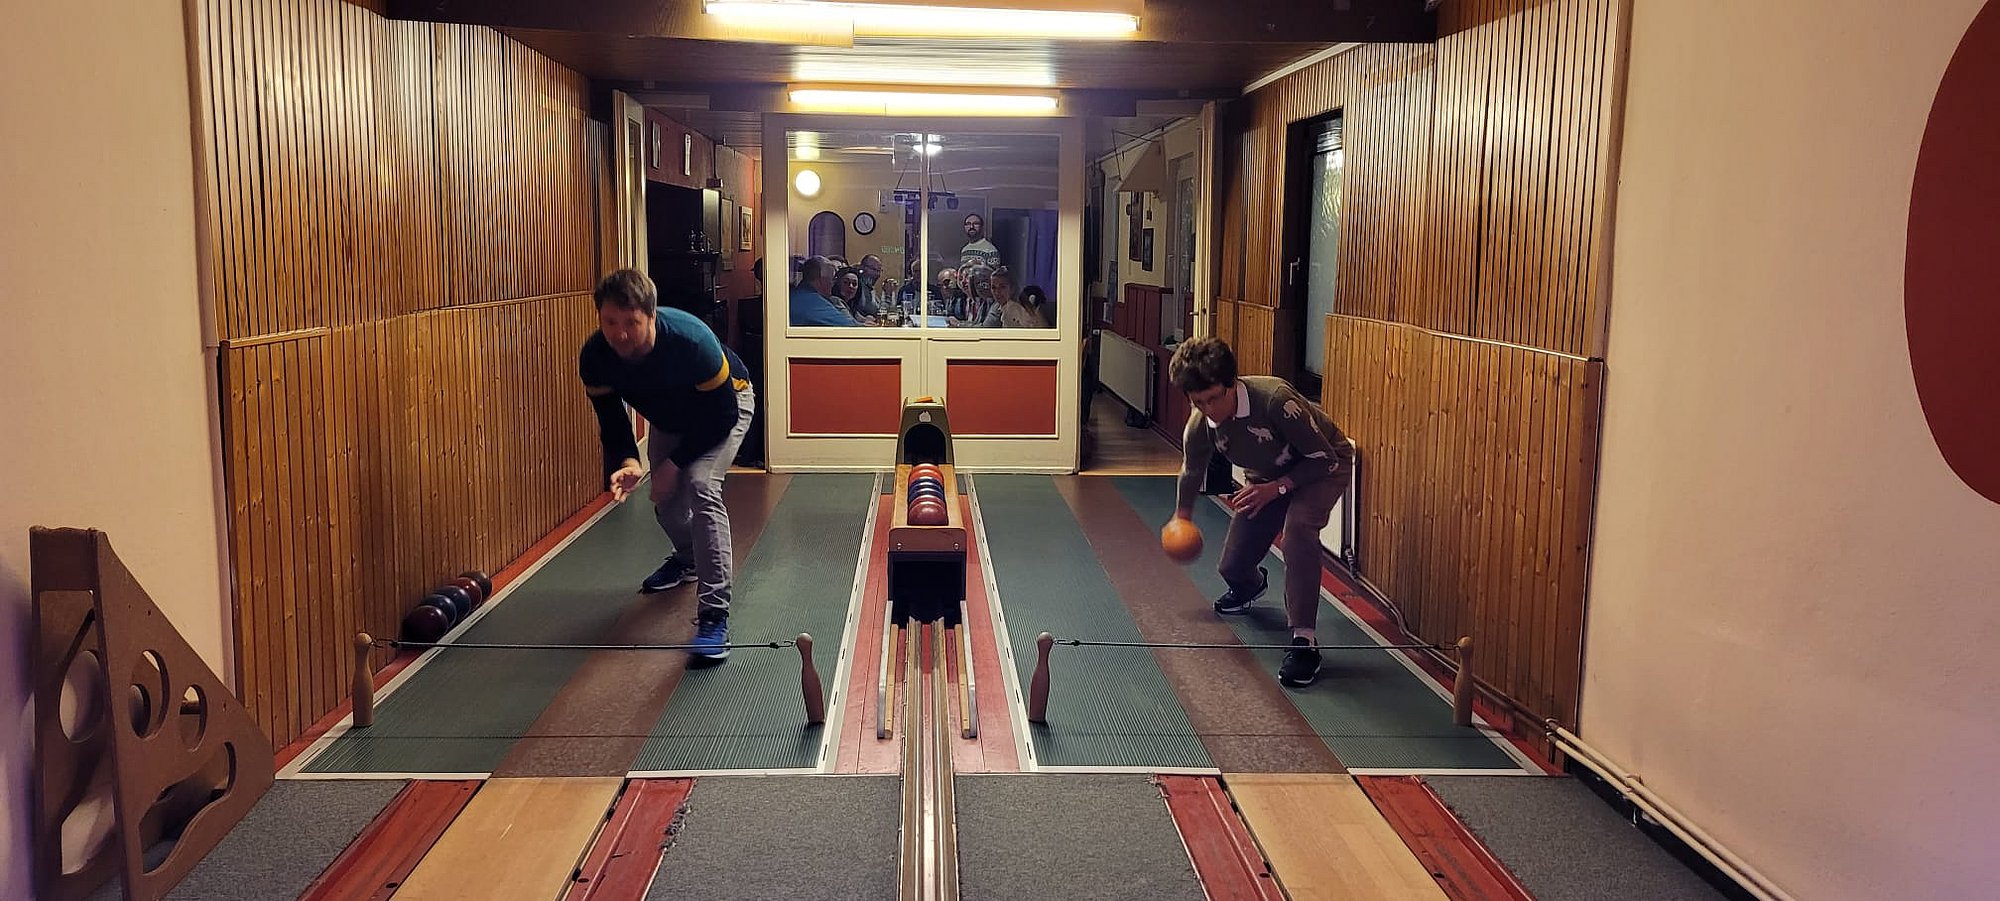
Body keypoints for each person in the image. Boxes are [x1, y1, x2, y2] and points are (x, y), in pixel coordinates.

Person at [580, 269, 756, 662]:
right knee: (666, 501)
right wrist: (629, 460)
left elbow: (722, 416)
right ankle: (688, 559)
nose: (620, 334)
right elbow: (612, 419)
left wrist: (672, 465)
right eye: (610, 322)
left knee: (700, 484)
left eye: (631, 322)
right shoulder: (595, 357)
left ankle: (714, 615)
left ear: (651, 316)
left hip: (725, 406)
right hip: (671, 418)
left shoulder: (692, 342)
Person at [1169, 336, 1355, 687]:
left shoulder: (1275, 401)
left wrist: (1277, 488)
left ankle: (1304, 642)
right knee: (1231, 567)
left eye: (1214, 398)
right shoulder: (1201, 425)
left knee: (1298, 530)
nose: (1209, 409)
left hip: (1321, 467)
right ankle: (1250, 585)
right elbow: (1191, 470)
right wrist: (1182, 516)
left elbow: (1325, 458)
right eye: (1198, 402)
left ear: (1231, 383)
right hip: (1268, 477)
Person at [790, 255, 859, 326]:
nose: (833, 284)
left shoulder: (792, 295)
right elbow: (850, 327)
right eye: (832, 279)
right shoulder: (815, 303)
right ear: (822, 279)